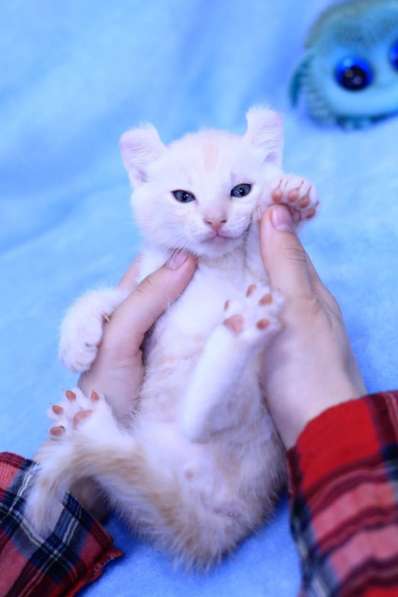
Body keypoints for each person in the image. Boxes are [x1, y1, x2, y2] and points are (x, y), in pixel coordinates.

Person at [1, 204, 396, 595]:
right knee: (202, 419)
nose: (214, 218)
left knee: (210, 416)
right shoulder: (171, 255)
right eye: (185, 196)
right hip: (193, 464)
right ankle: (223, 355)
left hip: (204, 473)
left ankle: (114, 446)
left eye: (238, 191)